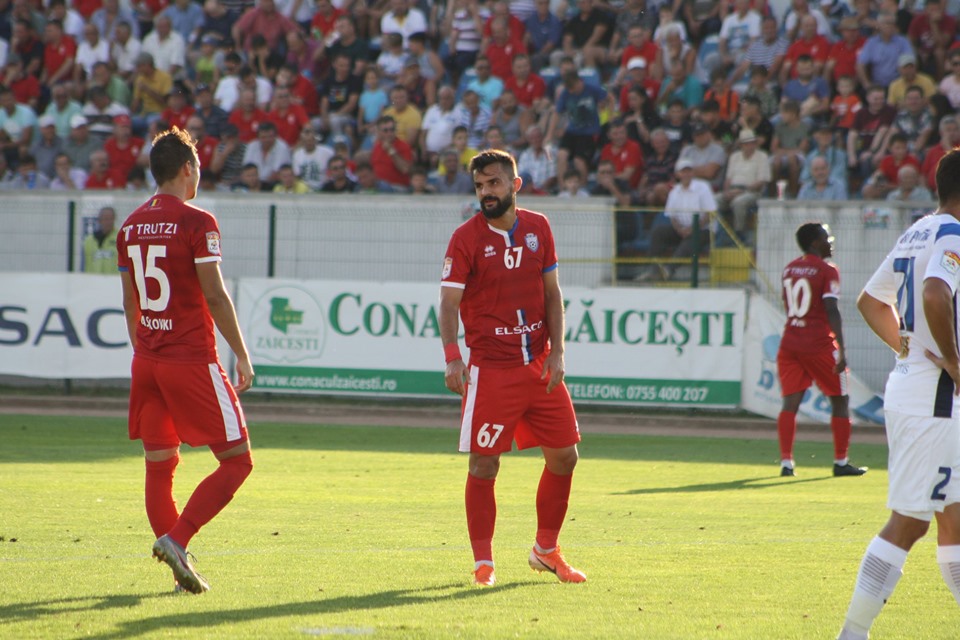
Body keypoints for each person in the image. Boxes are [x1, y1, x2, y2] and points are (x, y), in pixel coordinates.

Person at [115, 126, 254, 595]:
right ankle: (177, 539)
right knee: (237, 462)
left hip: (147, 361)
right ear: (188, 169)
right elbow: (215, 295)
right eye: (198, 169)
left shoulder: (130, 225)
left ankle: (179, 567)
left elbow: (130, 302)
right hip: (191, 359)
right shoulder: (198, 221)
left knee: (159, 466)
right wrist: (242, 354)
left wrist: (144, 348)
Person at [439, 148, 585, 588]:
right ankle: (483, 563)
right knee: (484, 466)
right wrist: (452, 356)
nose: (486, 192)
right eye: (480, 186)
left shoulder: (539, 228)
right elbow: (448, 304)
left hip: (539, 366)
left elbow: (552, 294)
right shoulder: (465, 238)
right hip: (491, 371)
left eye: (494, 183)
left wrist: (558, 352)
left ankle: (546, 550)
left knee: (565, 456)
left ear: (515, 185)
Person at [839, 147, 960, 640]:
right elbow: (935, 293)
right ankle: (852, 633)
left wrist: (906, 349)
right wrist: (950, 360)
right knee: (910, 522)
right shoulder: (952, 231)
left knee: (954, 519)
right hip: (936, 395)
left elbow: (871, 300)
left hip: (919, 386)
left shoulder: (918, 230)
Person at [777, 223, 866, 478]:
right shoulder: (827, 270)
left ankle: (786, 463)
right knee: (840, 399)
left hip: (790, 341)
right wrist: (842, 347)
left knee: (790, 403)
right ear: (815, 242)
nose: (831, 243)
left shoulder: (790, 269)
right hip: (818, 344)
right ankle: (840, 462)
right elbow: (830, 308)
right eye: (827, 238)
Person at [83, 206, 118, 273]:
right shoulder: (89, 240)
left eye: (110, 219)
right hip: (93, 280)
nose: (108, 222)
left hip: (114, 280)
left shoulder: (120, 238)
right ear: (99, 220)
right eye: (105, 219)